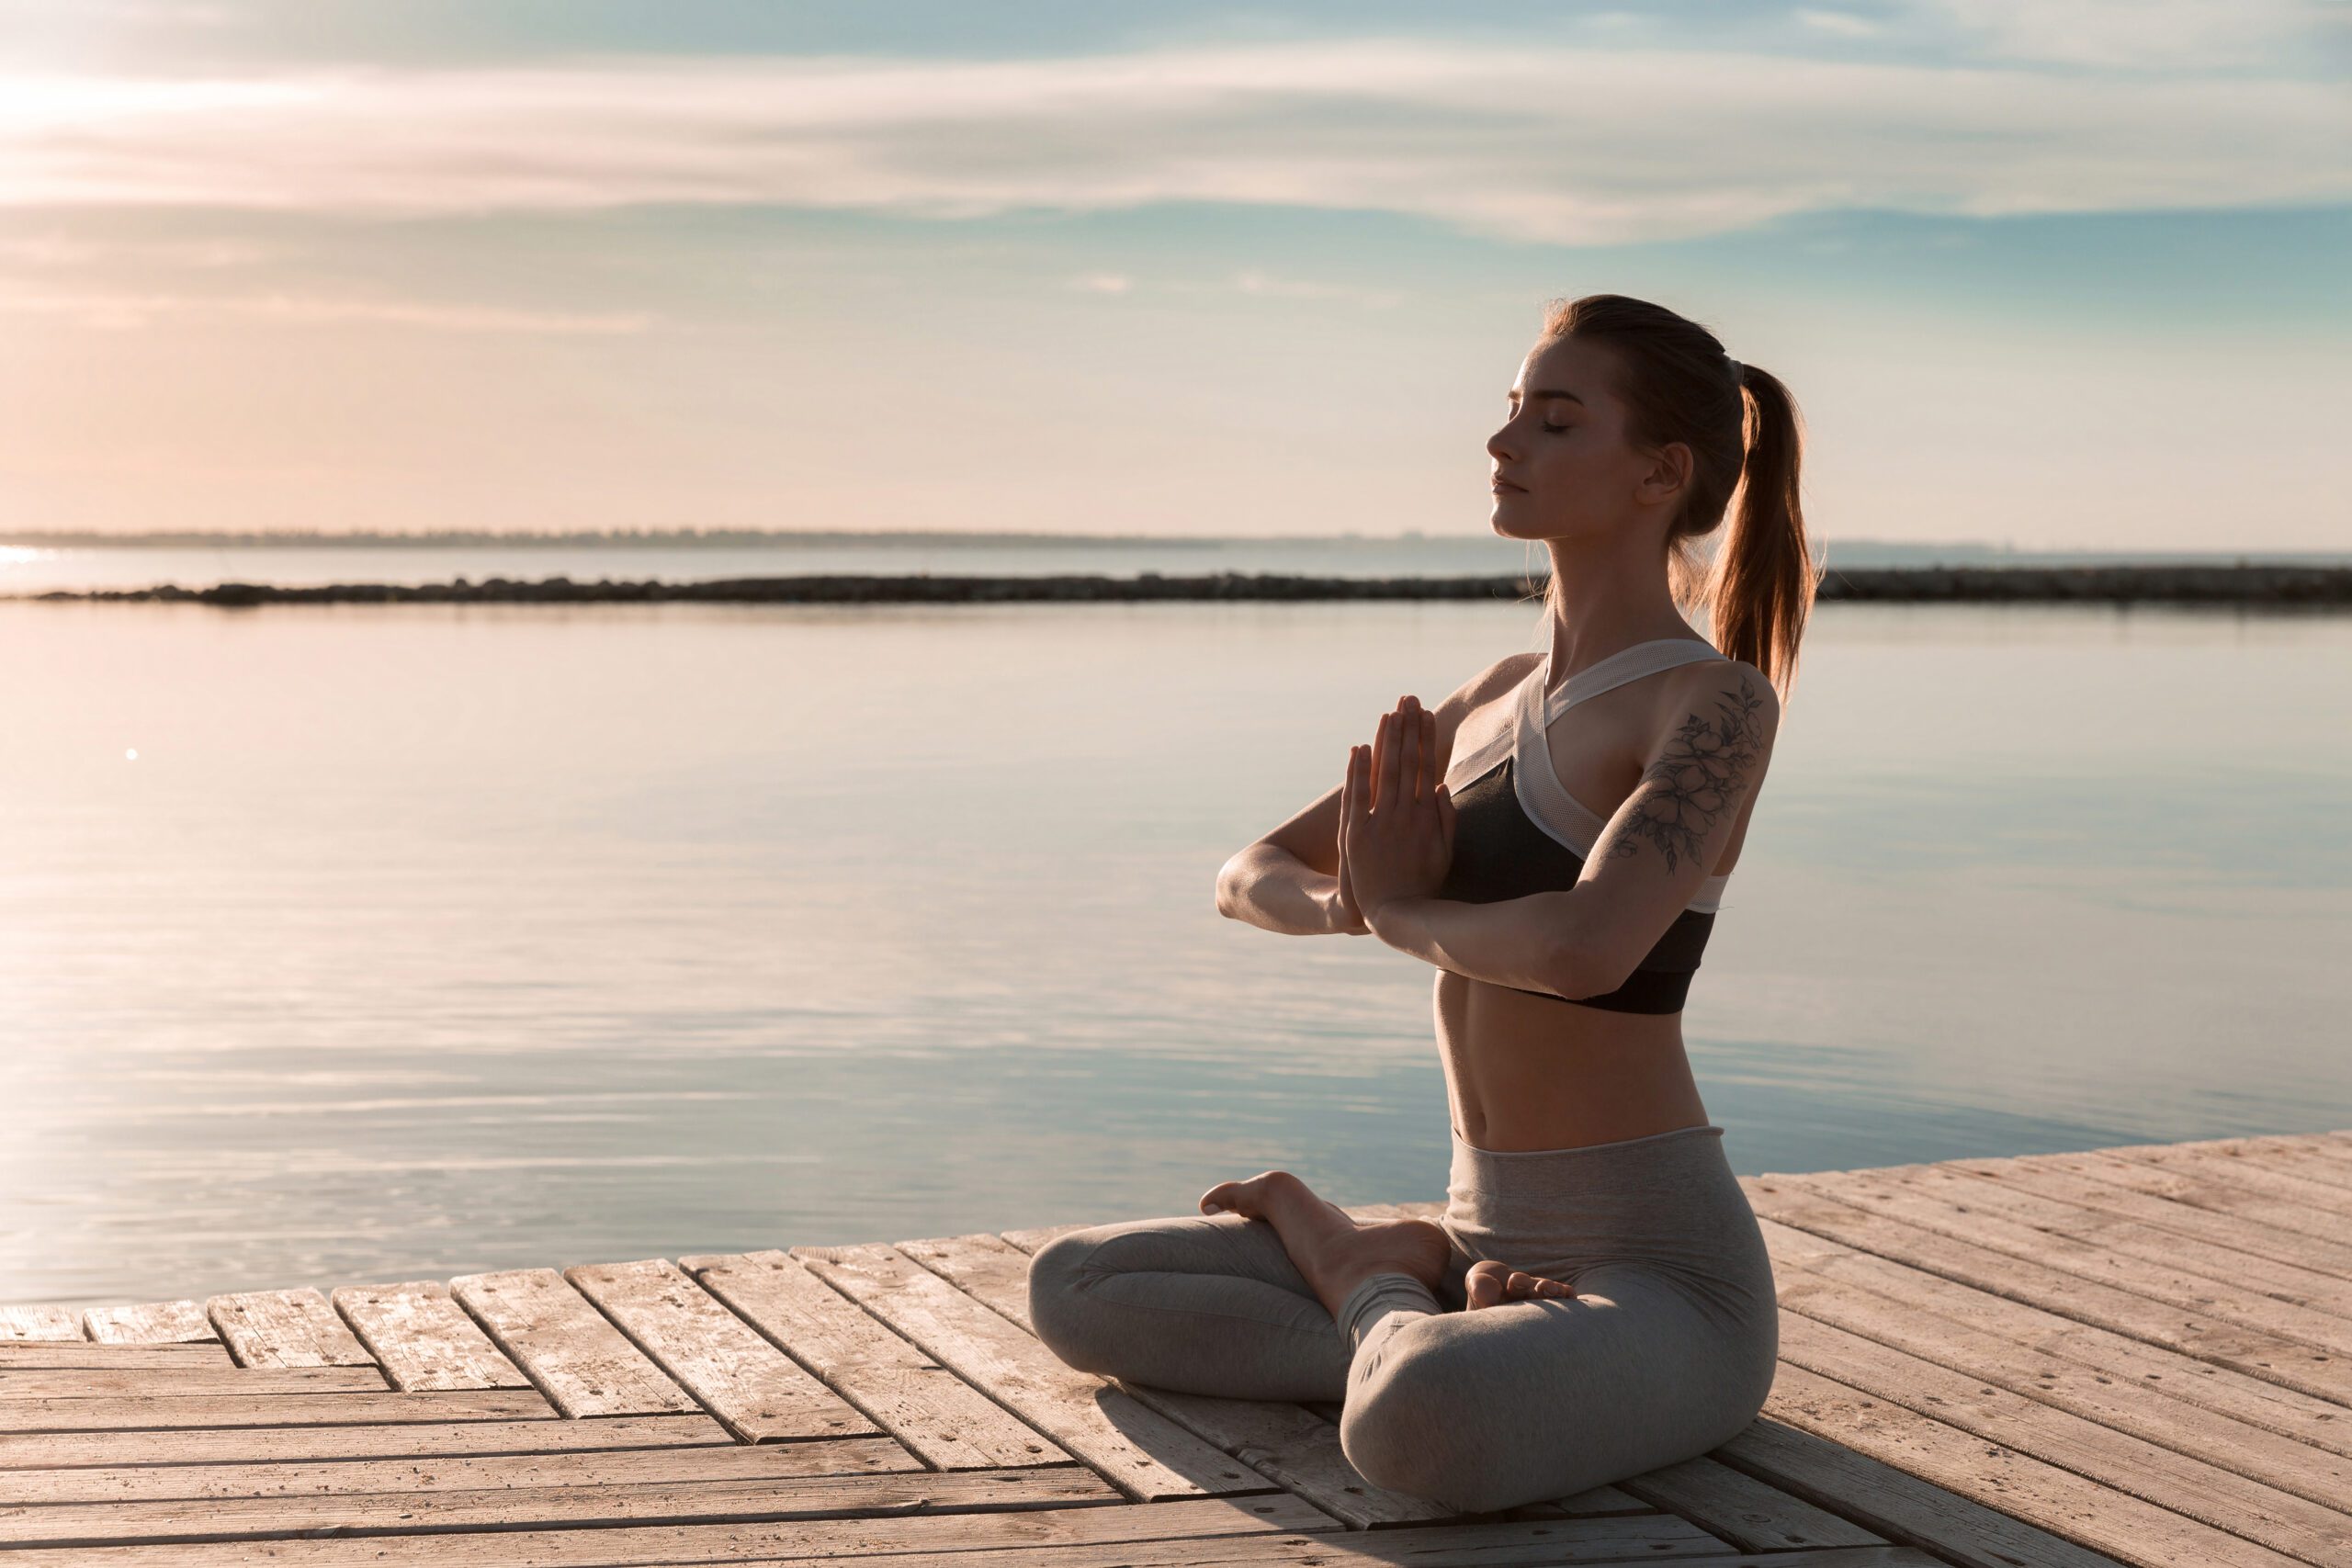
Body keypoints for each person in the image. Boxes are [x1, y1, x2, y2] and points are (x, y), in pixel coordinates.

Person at [1027, 292, 1820, 1513]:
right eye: (1510, 413)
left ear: (1660, 472)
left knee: (1416, 1424)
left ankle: (1361, 1278)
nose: (1504, 444)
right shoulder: (1488, 700)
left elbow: (1588, 947)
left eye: (1554, 422)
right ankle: (1423, 1292)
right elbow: (1248, 874)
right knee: (1077, 1289)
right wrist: (1356, 902)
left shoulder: (1711, 707)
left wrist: (1397, 914)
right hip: (1478, 1232)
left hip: (1662, 1280)